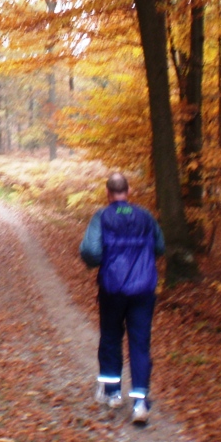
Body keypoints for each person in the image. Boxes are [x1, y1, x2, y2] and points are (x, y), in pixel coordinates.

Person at [79, 172, 165, 425]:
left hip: (113, 288)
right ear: (128, 191)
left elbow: (91, 251)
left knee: (111, 337)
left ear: (108, 193)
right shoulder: (146, 217)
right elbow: (160, 247)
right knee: (140, 344)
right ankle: (140, 402)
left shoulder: (102, 217)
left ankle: (112, 392)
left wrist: (100, 262)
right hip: (143, 290)